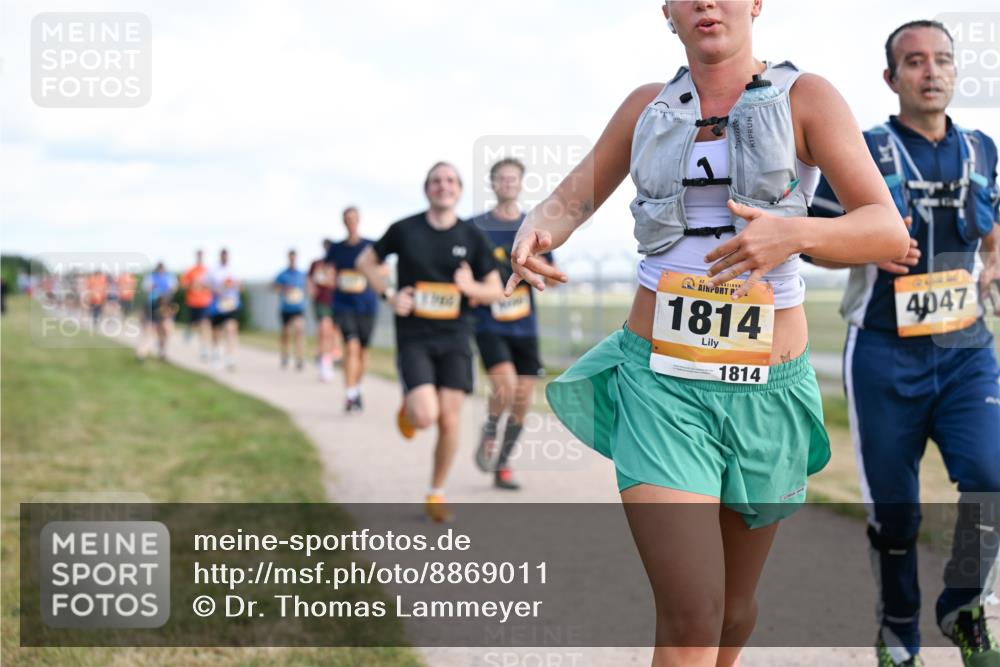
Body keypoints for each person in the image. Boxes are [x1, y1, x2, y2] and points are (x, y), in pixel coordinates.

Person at [507, 1, 911, 664]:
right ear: (666, 10)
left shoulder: (807, 97)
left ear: (756, 3)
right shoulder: (646, 107)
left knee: (733, 610)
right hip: (661, 384)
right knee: (693, 611)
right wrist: (537, 229)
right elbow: (570, 200)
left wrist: (795, 233)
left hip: (766, 389)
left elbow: (886, 230)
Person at [808, 20, 1000, 667]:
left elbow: (993, 224)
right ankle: (898, 632)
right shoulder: (863, 149)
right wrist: (867, 244)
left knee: (992, 479)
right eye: (915, 61)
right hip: (884, 354)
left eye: (942, 59)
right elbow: (814, 240)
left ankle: (964, 606)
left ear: (955, 71)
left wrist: (994, 262)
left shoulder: (982, 149)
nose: (931, 71)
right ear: (891, 78)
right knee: (895, 512)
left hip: (967, 352)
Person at [356, 162, 504, 523]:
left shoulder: (471, 236)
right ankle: (409, 409)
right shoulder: (404, 229)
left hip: (456, 336)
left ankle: (435, 492)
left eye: (450, 180)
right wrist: (390, 295)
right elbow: (365, 261)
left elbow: (495, 289)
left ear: (459, 190)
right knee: (425, 416)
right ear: (427, 189)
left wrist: (471, 287)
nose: (443, 186)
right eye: (436, 181)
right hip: (415, 336)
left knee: (449, 421)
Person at [471, 158, 557, 491]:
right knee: (504, 386)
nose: (507, 183)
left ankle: (502, 463)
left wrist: (541, 267)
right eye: (502, 178)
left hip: (524, 324)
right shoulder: (475, 227)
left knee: (522, 398)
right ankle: (491, 427)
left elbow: (551, 278)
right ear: (493, 184)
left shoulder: (532, 228)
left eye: (513, 178)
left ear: (521, 184)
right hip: (489, 323)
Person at [326, 206, 380, 413]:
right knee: (351, 346)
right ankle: (349, 394)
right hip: (343, 304)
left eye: (353, 219)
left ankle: (357, 389)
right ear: (343, 222)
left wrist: (369, 273)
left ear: (359, 220)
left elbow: (384, 268)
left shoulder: (370, 246)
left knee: (363, 351)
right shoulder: (336, 248)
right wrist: (332, 278)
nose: (351, 222)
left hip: (367, 305)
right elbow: (327, 271)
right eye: (347, 219)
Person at [308, 239, 341, 382]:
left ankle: (330, 356)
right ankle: (325, 363)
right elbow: (309, 279)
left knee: (333, 331)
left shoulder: (337, 264)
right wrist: (311, 290)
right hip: (322, 301)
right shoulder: (316, 264)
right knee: (324, 328)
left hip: (336, 301)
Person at [273, 249, 308, 370]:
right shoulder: (282, 274)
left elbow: (308, 287)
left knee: (299, 330)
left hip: (298, 307)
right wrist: (284, 289)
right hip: (286, 308)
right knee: (286, 333)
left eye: (294, 258)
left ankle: (300, 357)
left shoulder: (302, 274)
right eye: (291, 258)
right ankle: (285, 355)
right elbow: (274, 287)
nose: (292, 260)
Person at [137, 262, 178, 362]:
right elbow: (146, 289)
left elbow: (174, 288)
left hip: (164, 306)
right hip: (153, 307)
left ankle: (162, 351)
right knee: (151, 333)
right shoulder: (151, 277)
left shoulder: (169, 277)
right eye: (159, 269)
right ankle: (142, 353)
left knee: (166, 330)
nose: (161, 271)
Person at [208, 248, 241, 371]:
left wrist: (233, 285)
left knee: (231, 329)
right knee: (216, 331)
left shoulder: (234, 271)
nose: (225, 258)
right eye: (223, 256)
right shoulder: (213, 271)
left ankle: (230, 357)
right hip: (218, 304)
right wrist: (218, 289)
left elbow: (240, 286)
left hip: (231, 303)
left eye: (226, 256)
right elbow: (206, 285)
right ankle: (216, 353)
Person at [180, 250, 214, 361]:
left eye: (201, 255)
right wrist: (191, 283)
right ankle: (189, 330)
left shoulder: (208, 271)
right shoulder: (190, 270)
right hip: (192, 302)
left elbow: (213, 284)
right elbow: (183, 285)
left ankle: (204, 348)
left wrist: (204, 285)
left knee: (204, 323)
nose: (200, 257)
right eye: (198, 255)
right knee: (195, 324)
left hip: (205, 302)